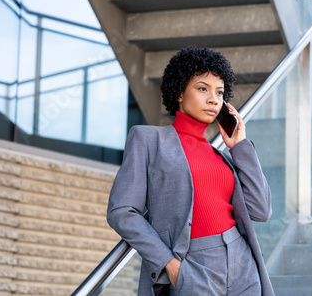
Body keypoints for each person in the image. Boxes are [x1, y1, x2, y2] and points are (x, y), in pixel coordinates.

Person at [107, 46, 274, 296]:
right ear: (180, 93)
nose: (213, 99)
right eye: (202, 88)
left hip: (242, 264)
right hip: (191, 265)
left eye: (219, 92)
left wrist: (240, 146)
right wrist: (170, 265)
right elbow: (121, 212)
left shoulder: (224, 157)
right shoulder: (148, 139)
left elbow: (261, 211)